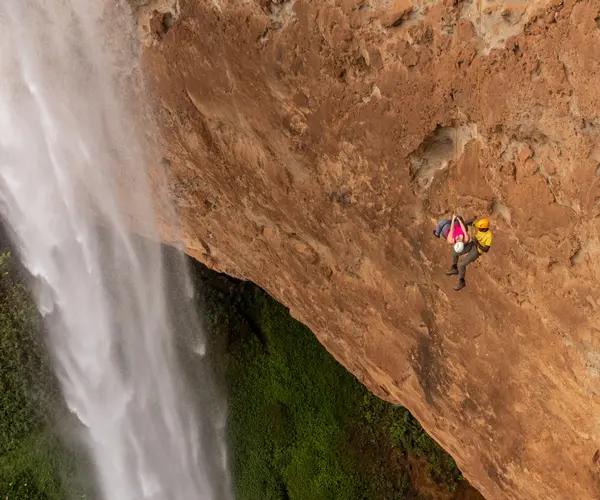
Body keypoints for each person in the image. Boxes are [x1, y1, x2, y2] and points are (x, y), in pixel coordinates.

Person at [445, 218, 492, 291]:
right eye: (479, 228)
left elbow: (486, 249)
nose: (479, 229)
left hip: (477, 250)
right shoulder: (481, 226)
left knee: (461, 265)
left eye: (480, 229)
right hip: (472, 243)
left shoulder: (489, 236)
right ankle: (454, 268)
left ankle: (462, 281)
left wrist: (477, 243)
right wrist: (464, 222)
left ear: (485, 228)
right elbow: (471, 222)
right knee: (455, 251)